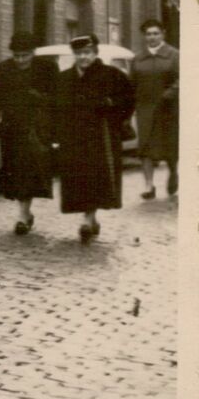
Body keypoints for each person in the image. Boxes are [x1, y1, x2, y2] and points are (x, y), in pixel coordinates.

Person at [55, 34, 136, 242]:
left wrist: (110, 106)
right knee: (77, 178)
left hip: (101, 136)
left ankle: (88, 219)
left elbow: (128, 100)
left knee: (95, 177)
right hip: (73, 137)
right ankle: (89, 218)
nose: (83, 57)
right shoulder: (64, 78)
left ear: (95, 53)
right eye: (79, 53)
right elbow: (55, 107)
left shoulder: (112, 75)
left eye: (88, 53)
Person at [0, 30, 60, 234]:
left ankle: (23, 214)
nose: (20, 60)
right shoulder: (3, 69)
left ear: (33, 52)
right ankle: (24, 214)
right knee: (17, 173)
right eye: (16, 55)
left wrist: (41, 99)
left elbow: (58, 100)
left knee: (31, 172)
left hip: (38, 129)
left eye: (25, 56)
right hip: (12, 128)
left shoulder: (47, 68)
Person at [130, 19, 179, 200]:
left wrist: (170, 93)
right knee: (145, 148)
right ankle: (149, 186)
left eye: (155, 33)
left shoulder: (174, 55)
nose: (152, 37)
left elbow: (183, 78)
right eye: (149, 34)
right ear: (144, 36)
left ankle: (173, 173)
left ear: (163, 34)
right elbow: (131, 83)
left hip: (169, 109)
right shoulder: (138, 58)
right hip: (145, 109)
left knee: (170, 146)